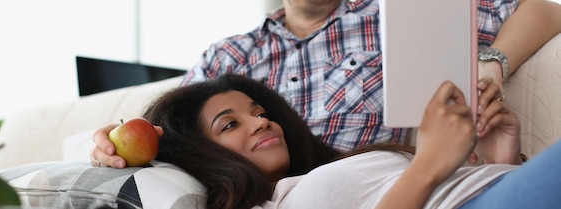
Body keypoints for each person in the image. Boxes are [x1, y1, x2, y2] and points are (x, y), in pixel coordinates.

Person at [91, 0, 561, 168]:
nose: (258, 122)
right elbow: (162, 133)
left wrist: (491, 63)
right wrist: (112, 144)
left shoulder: (393, 14)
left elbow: (542, 9)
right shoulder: (227, 56)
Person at [94, 74, 560, 209]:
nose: (259, 122)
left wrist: (497, 162)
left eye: (259, 112)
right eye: (229, 125)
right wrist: (429, 163)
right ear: (197, 153)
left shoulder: (309, 178)